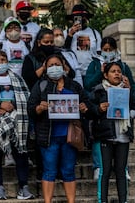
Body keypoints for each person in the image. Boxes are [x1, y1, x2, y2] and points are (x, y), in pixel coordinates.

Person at [27, 54, 94, 203]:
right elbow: (30, 109)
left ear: (64, 66)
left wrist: (84, 108)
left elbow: (88, 106)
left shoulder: (74, 85)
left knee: (68, 170)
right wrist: (39, 108)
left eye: (57, 64)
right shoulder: (40, 85)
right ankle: (47, 201)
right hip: (49, 137)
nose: (54, 67)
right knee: (49, 171)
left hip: (69, 136)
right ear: (45, 68)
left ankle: (71, 201)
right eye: (50, 65)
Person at [0, 50, 34, 200]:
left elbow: (26, 99)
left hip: (17, 120)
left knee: (21, 152)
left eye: (3, 59)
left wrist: (10, 105)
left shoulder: (17, 78)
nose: (0, 63)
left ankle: (23, 187)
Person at [84, 36, 134, 181]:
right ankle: (98, 166)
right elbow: (88, 84)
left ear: (115, 50)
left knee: (121, 137)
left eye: (110, 50)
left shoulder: (122, 66)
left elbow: (132, 85)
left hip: (120, 104)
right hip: (101, 104)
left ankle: (123, 168)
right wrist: (100, 72)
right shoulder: (94, 64)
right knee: (99, 136)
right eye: (105, 50)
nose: (108, 52)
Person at [89, 62, 135, 203]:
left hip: (123, 136)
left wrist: (130, 92)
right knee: (105, 171)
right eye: (113, 71)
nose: (117, 74)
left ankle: (123, 200)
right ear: (105, 75)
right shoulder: (98, 90)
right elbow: (89, 112)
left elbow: (133, 107)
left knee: (121, 171)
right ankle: (102, 200)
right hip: (105, 137)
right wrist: (99, 109)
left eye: (119, 71)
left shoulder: (127, 90)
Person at [64, 4, 101, 79]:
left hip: (90, 73)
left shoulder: (95, 33)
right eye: (77, 17)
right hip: (73, 72)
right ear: (73, 19)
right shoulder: (65, 33)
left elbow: (99, 54)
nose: (80, 19)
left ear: (86, 18)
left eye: (82, 16)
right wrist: (70, 35)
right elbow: (64, 51)